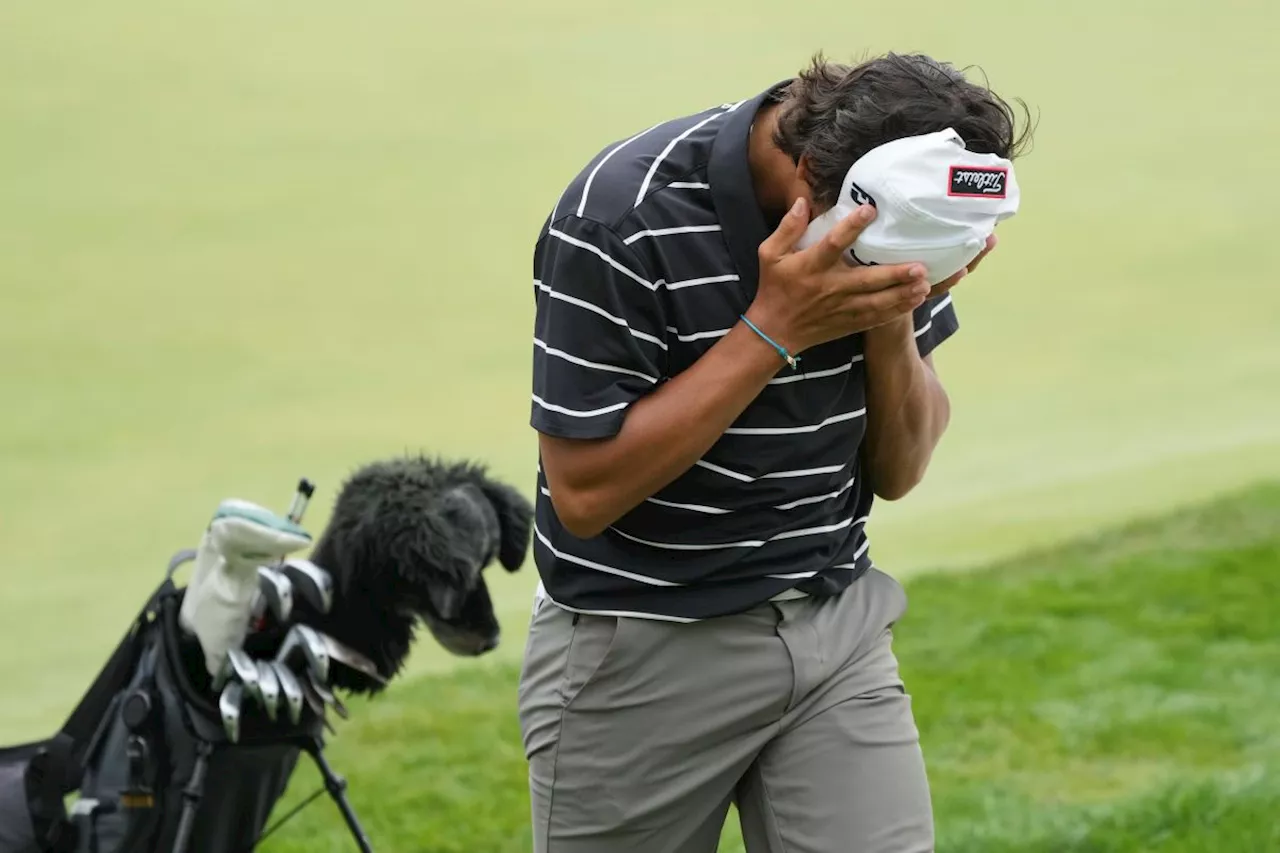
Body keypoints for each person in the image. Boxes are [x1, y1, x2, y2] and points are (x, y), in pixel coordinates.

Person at [518, 52, 1032, 853]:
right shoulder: (620, 216)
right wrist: (774, 327)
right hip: (639, 646)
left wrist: (891, 304)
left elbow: (899, 470)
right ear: (806, 178)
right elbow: (583, 495)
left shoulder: (894, 210)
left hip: (835, 628)